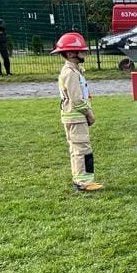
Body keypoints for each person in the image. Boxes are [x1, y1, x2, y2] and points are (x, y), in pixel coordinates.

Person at [52, 32, 102, 191]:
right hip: (76, 117)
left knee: (76, 149)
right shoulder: (71, 73)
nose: (84, 52)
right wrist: (89, 114)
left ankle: (80, 180)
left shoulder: (73, 71)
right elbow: (77, 99)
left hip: (72, 117)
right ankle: (84, 182)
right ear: (70, 53)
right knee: (82, 149)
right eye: (81, 50)